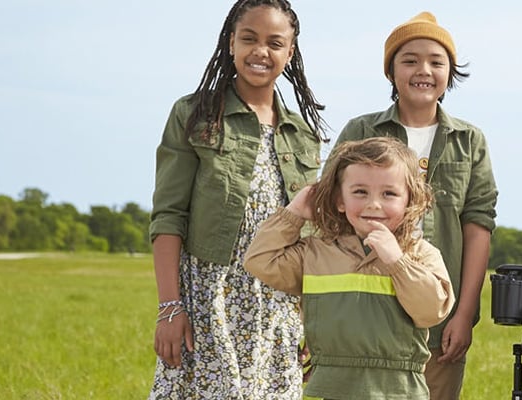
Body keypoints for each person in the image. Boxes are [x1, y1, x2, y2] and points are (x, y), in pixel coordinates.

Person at [148, 0, 325, 398]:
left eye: (274, 43)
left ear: (290, 52)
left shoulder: (304, 135)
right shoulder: (194, 115)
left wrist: (315, 321)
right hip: (209, 301)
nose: (260, 51)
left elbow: (312, 240)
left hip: (278, 307)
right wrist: (170, 307)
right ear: (231, 43)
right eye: (249, 39)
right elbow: (169, 217)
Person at [332, 12, 497, 399]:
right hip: (364, 312)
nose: (423, 70)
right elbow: (332, 217)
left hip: (440, 313)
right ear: (391, 72)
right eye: (409, 60)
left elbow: (478, 226)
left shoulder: (469, 140)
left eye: (436, 62)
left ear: (449, 73)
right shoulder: (360, 132)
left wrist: (464, 314)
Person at [244, 137, 454, 400]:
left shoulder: (420, 253)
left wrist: (397, 262)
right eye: (360, 192)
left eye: (389, 193)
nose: (373, 204)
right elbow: (260, 260)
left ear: (409, 200)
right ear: (339, 200)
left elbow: (432, 311)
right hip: (333, 387)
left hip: (399, 391)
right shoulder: (317, 252)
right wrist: (295, 212)